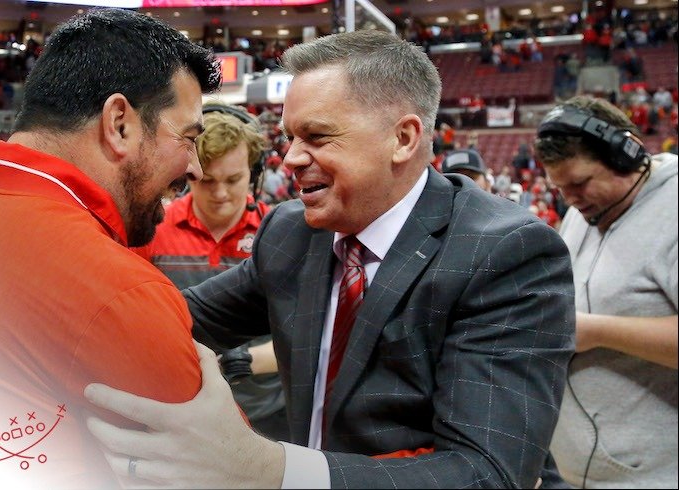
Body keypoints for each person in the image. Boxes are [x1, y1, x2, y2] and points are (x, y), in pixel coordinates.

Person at [84, 29, 575, 489]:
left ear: (402, 138)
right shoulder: (292, 232)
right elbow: (178, 318)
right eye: (290, 137)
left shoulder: (507, 254)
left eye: (316, 137)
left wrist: (269, 469)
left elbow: (485, 472)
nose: (290, 158)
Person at [0, 8, 220, 488]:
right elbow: (225, 472)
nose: (196, 167)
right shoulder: (119, 288)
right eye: (189, 138)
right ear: (119, 124)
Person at [534, 95, 677, 488]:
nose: (570, 198)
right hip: (582, 472)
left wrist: (595, 331)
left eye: (579, 183)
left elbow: (584, 325)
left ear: (627, 153)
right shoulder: (585, 210)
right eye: (560, 188)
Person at [134, 103, 289, 441]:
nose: (220, 194)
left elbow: (308, 334)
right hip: (180, 414)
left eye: (233, 180)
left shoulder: (282, 234)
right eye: (209, 182)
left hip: (267, 414)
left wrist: (239, 360)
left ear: (254, 174)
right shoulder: (152, 231)